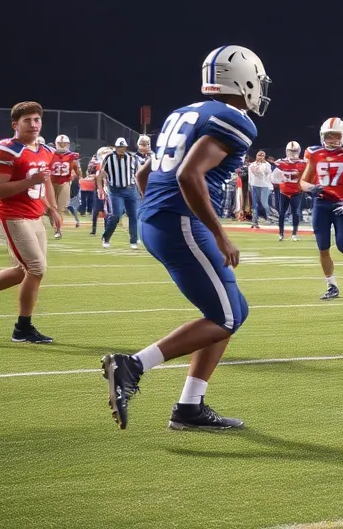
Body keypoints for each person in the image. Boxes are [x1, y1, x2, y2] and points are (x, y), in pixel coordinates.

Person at [100, 45, 268, 431]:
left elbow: (145, 174)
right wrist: (220, 234)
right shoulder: (234, 120)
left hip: (162, 221)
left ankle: (190, 406)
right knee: (226, 316)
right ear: (243, 80)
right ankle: (132, 366)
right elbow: (188, 175)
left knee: (234, 312)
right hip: (181, 222)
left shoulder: (184, 113)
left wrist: (157, 213)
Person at [0, 102, 64, 343]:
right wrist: (31, 181)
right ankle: (22, 328)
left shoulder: (45, 150)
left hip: (34, 215)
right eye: (27, 120)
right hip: (11, 215)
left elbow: (45, 181)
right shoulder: (5, 150)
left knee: (24, 271)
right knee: (36, 268)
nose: (33, 124)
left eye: (37, 119)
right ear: (15, 124)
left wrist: (53, 209)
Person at [299, 118, 343, 300]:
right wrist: (311, 188)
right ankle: (331, 285)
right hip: (321, 205)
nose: (332, 139)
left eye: (336, 136)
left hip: (342, 204)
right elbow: (303, 182)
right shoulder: (315, 154)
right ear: (322, 136)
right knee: (323, 247)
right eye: (328, 136)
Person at [98, 138, 141, 250]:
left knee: (134, 215)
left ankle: (133, 240)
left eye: (123, 147)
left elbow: (137, 175)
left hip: (131, 189)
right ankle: (106, 237)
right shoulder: (108, 158)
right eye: (120, 147)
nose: (122, 149)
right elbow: (101, 174)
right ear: (116, 148)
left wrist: (141, 190)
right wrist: (100, 188)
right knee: (116, 215)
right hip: (115, 191)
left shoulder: (132, 158)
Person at [48, 135, 83, 233]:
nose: (62, 145)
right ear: (56, 144)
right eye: (60, 143)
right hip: (50, 183)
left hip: (65, 182)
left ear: (68, 144)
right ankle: (54, 223)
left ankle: (58, 228)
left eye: (64, 143)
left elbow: (77, 169)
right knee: (50, 207)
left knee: (61, 207)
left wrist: (80, 177)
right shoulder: (50, 154)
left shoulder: (73, 156)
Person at [273, 142, 306, 241]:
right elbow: (273, 178)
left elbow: (307, 177)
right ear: (286, 151)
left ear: (298, 151)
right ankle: (281, 233)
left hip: (296, 191)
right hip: (284, 191)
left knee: (295, 213)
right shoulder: (280, 163)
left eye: (294, 151)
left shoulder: (303, 163)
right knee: (281, 213)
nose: (292, 153)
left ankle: (294, 234)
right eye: (291, 151)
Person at [246, 150, 273, 229]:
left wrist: (263, 165)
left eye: (263, 156)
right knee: (255, 204)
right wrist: (249, 186)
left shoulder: (267, 165)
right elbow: (250, 176)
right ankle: (255, 222)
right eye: (259, 155)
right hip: (254, 185)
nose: (261, 157)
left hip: (264, 186)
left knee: (264, 204)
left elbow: (267, 174)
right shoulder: (251, 165)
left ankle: (270, 218)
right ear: (256, 156)